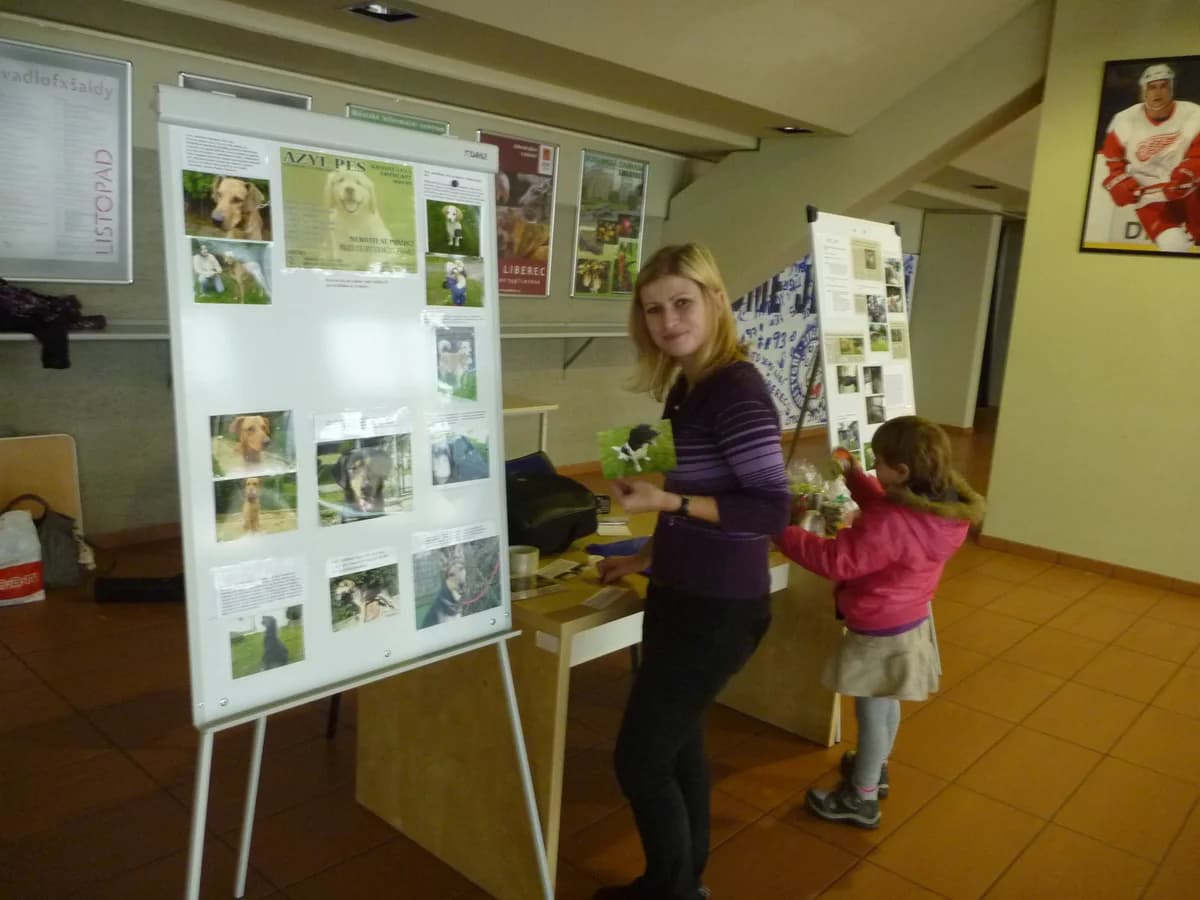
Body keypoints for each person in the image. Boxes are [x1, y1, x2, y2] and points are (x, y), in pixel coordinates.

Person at [592, 243, 791, 900]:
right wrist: (645, 554)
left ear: (715, 300)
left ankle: (674, 891)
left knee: (640, 756)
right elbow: (687, 481)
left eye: (682, 302)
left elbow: (768, 509)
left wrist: (667, 501)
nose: (668, 320)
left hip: (719, 608)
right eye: (653, 309)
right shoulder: (688, 385)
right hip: (681, 590)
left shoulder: (736, 391)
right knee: (677, 745)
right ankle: (680, 880)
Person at [774, 417, 984, 829]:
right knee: (887, 701)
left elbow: (837, 559)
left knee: (870, 711)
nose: (876, 467)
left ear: (901, 472)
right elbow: (891, 512)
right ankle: (878, 765)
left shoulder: (892, 523)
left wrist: (782, 533)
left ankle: (862, 797)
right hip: (910, 618)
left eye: (879, 463)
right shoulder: (941, 507)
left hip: (878, 628)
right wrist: (854, 476)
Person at [1101, 62, 1200, 252]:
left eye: (1164, 86)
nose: (1158, 92)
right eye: (1152, 87)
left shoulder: (1194, 113)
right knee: (1174, 246)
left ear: (1171, 89)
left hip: (1191, 193)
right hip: (1150, 200)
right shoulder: (1124, 120)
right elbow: (1114, 163)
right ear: (1143, 92)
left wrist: (1190, 171)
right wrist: (1118, 181)